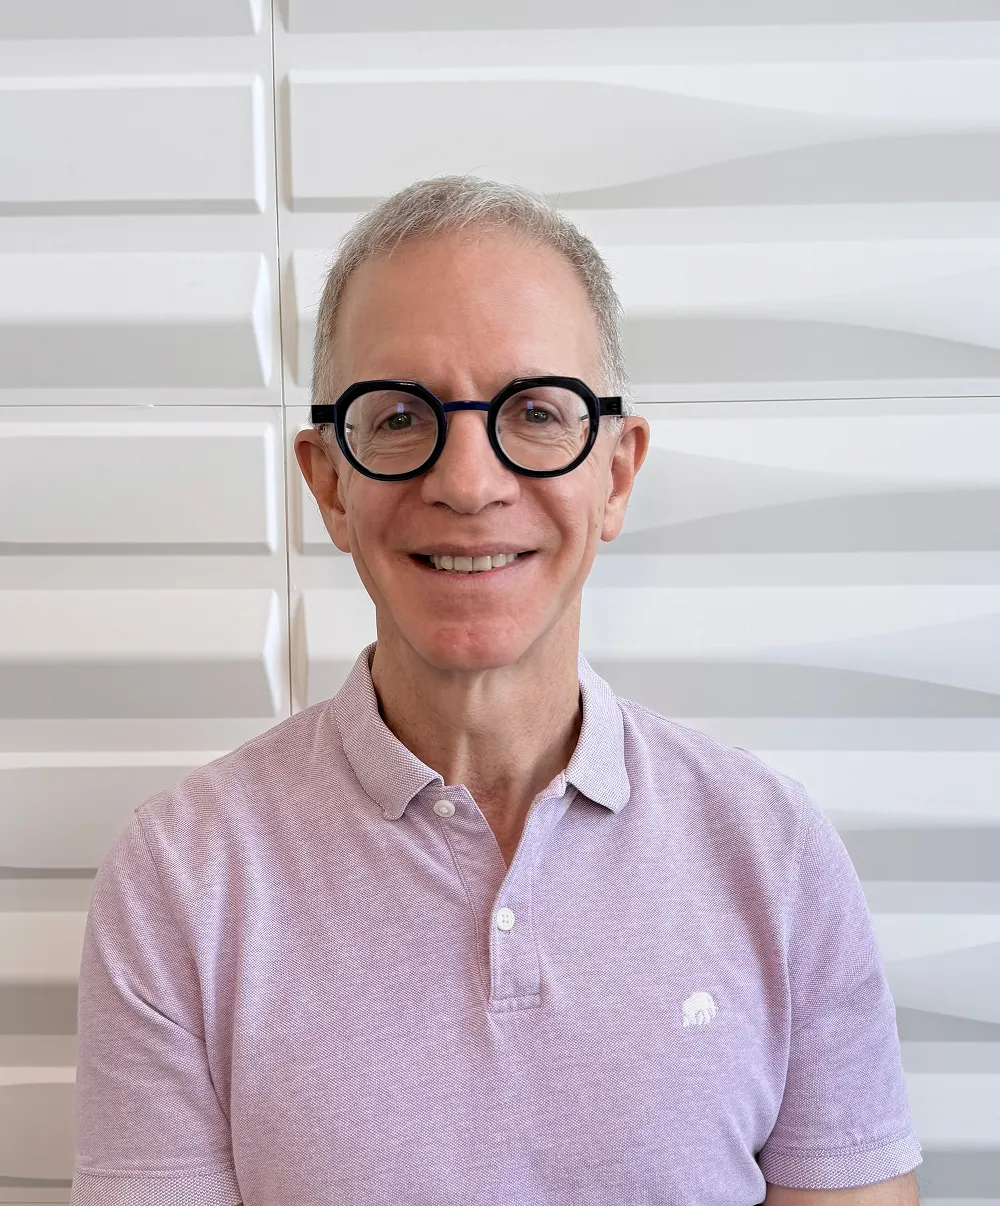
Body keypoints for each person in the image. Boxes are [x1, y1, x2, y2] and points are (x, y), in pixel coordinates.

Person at [71, 176, 922, 1205]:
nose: (468, 483)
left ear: (614, 472)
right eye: (396, 417)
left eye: (532, 412)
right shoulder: (181, 879)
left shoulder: (774, 853)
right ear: (328, 482)